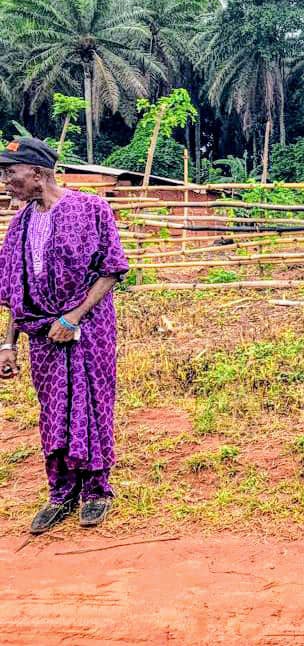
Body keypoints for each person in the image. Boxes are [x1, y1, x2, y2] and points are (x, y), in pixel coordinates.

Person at [0, 137, 130, 533]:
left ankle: (96, 490)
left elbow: (111, 269)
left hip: (89, 330)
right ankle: (61, 492)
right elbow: (14, 290)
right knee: (53, 408)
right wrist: (8, 343)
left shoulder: (92, 208)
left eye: (10, 172)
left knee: (92, 402)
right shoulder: (19, 224)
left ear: (37, 174)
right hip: (42, 335)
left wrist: (73, 317)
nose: (5, 181)